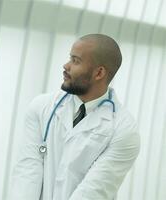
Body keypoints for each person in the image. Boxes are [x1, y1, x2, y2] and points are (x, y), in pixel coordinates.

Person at [9, 34, 140, 200]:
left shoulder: (124, 129)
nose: (66, 66)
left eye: (75, 61)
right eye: (69, 58)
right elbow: (27, 170)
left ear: (99, 73)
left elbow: (94, 190)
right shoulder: (41, 107)